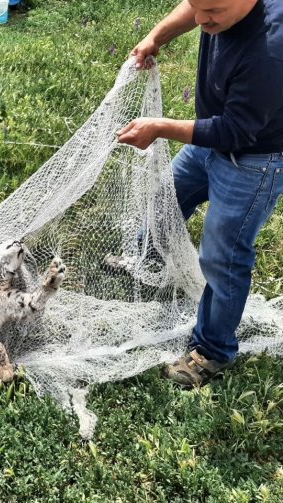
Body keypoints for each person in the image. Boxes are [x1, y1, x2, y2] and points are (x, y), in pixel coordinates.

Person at [117, 0, 283, 386]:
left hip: (253, 159)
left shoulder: (272, 50)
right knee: (168, 195)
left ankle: (213, 350)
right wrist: (154, 37)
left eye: (215, 10)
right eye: (198, 5)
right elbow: (194, 9)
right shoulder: (213, 7)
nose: (202, 18)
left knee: (223, 256)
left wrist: (158, 127)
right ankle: (151, 256)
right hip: (211, 141)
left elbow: (235, 131)